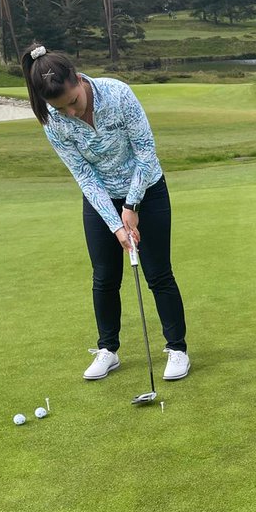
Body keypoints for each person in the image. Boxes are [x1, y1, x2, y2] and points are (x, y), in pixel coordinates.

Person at [21, 45, 190, 383]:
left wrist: (132, 206)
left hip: (147, 189)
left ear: (79, 80)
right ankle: (108, 350)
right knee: (104, 277)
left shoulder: (117, 93)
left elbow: (146, 152)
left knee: (157, 273)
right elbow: (84, 175)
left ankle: (177, 349)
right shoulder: (53, 120)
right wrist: (116, 226)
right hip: (100, 198)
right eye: (60, 108)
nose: (70, 112)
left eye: (73, 102)